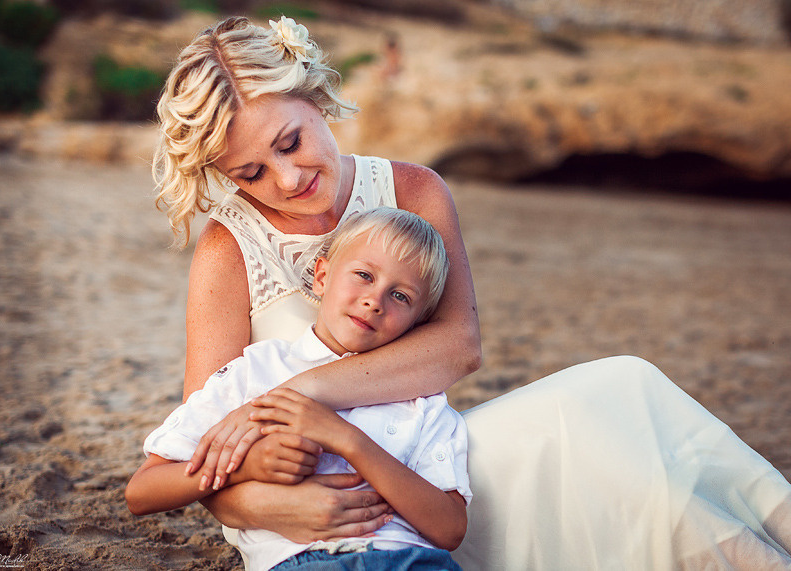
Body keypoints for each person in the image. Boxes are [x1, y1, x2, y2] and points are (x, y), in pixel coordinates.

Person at [151, 15, 791, 569]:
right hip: (299, 516)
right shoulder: (226, 249)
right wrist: (272, 504)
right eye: (250, 172)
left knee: (624, 391)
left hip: (423, 469)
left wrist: (299, 392)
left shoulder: (414, 191)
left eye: (290, 142)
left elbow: (457, 348)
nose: (287, 179)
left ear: (314, 99)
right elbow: (206, 443)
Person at [127, 208, 470, 570]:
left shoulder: (422, 398)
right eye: (364, 276)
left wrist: (348, 440)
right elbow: (142, 491)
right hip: (303, 561)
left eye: (400, 296)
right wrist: (248, 466)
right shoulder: (257, 371)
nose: (375, 301)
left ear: (419, 322)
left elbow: (450, 529)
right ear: (322, 276)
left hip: (410, 559)